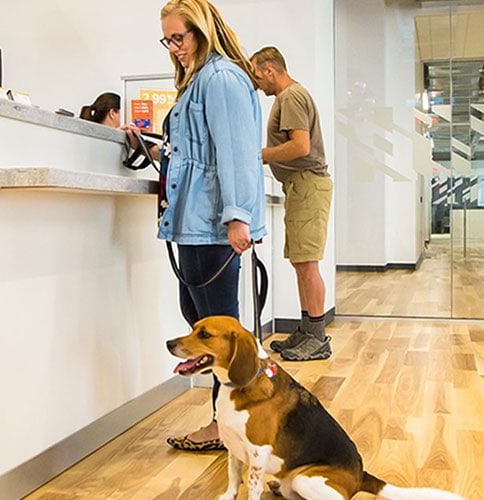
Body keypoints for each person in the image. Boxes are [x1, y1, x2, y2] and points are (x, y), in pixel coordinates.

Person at [154, 0, 266, 452]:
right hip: (193, 223)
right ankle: (234, 421)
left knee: (225, 339)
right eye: (168, 39)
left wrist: (238, 215)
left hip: (212, 224)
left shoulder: (219, 79)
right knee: (201, 323)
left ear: (202, 30)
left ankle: (228, 426)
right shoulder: (199, 80)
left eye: (179, 37)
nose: (174, 47)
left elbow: (237, 152)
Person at [250, 46, 333, 361]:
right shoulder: (288, 98)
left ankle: (319, 338)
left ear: (270, 69)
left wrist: (259, 155)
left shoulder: (290, 97)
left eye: (258, 76)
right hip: (300, 188)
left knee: (308, 263)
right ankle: (308, 329)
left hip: (308, 185)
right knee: (301, 262)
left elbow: (300, 146)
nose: (258, 84)